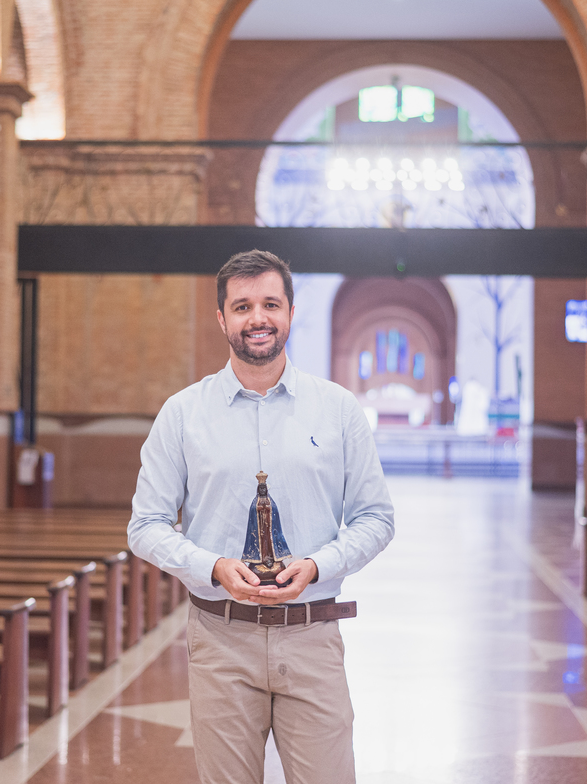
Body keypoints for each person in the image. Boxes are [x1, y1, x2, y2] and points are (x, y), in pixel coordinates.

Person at [128, 249, 395, 784]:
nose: (259, 318)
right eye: (243, 306)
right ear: (222, 318)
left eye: (271, 304)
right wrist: (213, 566)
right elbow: (146, 525)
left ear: (291, 313)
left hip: (312, 638)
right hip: (221, 639)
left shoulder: (338, 409)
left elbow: (375, 517)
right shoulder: (183, 414)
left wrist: (319, 565)